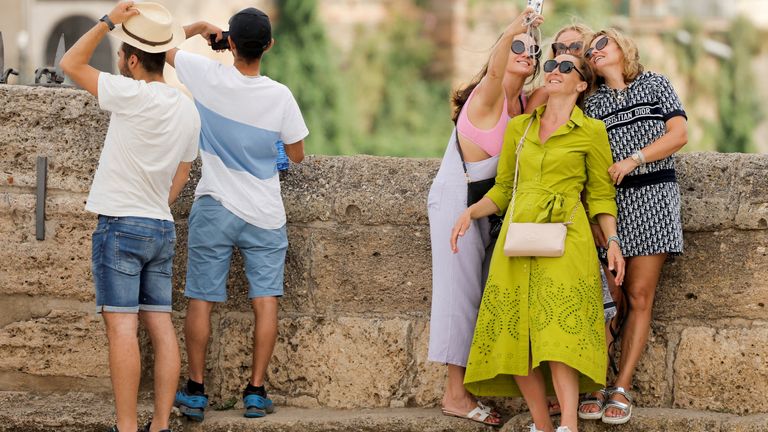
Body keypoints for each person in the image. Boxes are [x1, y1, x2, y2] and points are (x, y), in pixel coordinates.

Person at [451, 52, 626, 432]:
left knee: (558, 333)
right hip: (518, 238)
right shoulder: (520, 129)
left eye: (566, 67)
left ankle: (569, 425)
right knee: (520, 335)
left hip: (568, 237)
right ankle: (542, 425)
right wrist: (471, 212)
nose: (554, 71)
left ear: (582, 84)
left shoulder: (592, 132)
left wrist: (612, 240)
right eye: (550, 66)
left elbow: (599, 195)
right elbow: (502, 188)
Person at [59, 2, 200, 432]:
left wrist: (107, 22)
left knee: (121, 329)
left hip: (121, 224)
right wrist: (158, 202)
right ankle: (159, 424)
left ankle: (126, 428)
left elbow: (69, 63)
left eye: (122, 54)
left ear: (134, 59)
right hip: (160, 225)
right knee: (160, 326)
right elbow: (183, 170)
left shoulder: (130, 93)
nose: (119, 61)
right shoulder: (187, 108)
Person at [166, 8, 308, 422]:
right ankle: (255, 391)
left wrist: (196, 30)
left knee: (201, 299)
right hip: (264, 212)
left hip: (214, 205)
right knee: (265, 302)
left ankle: (195, 390)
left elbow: (162, 49)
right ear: (269, 46)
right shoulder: (280, 96)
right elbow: (297, 155)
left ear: (229, 43)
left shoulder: (205, 76)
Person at [427, 7, 542, 427]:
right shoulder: (489, 94)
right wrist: (517, 25)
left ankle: (472, 386)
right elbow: (495, 70)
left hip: (485, 205)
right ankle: (454, 395)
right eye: (517, 48)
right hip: (457, 198)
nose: (526, 53)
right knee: (459, 293)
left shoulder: (523, 103)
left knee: (480, 294)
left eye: (533, 50)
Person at [580, 28, 687, 425]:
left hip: (654, 198)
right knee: (609, 297)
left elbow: (678, 134)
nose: (595, 52)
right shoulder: (591, 103)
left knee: (640, 295)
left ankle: (620, 387)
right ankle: (596, 381)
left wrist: (634, 159)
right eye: (590, 51)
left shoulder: (655, 83)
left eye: (601, 44)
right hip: (610, 205)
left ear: (622, 46)